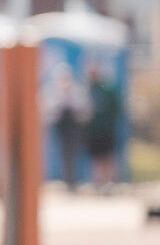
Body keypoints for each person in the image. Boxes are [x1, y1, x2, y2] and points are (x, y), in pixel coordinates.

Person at [43, 62, 90, 190]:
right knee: (60, 154)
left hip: (73, 127)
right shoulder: (52, 90)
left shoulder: (77, 90)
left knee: (73, 154)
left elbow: (84, 109)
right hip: (59, 127)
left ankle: (73, 180)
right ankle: (63, 179)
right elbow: (47, 110)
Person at [85, 63, 122, 192]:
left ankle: (109, 182)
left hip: (105, 128)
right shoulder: (88, 88)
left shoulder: (106, 88)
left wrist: (108, 121)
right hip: (93, 129)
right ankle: (98, 182)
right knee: (96, 157)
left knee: (108, 156)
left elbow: (116, 108)